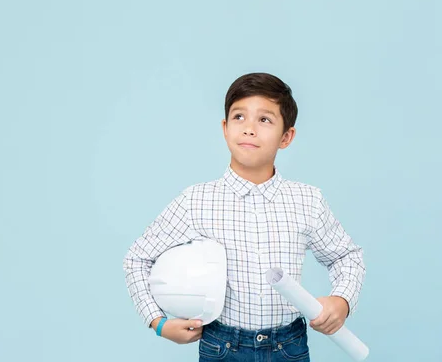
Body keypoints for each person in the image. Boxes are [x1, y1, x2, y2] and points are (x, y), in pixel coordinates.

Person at [123, 72, 366, 361]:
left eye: (264, 120)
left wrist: (341, 301)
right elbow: (137, 259)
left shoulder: (307, 200)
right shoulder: (196, 201)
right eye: (239, 117)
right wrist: (158, 322)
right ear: (225, 128)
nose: (249, 128)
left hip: (288, 347)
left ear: (286, 136)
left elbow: (346, 257)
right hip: (222, 347)